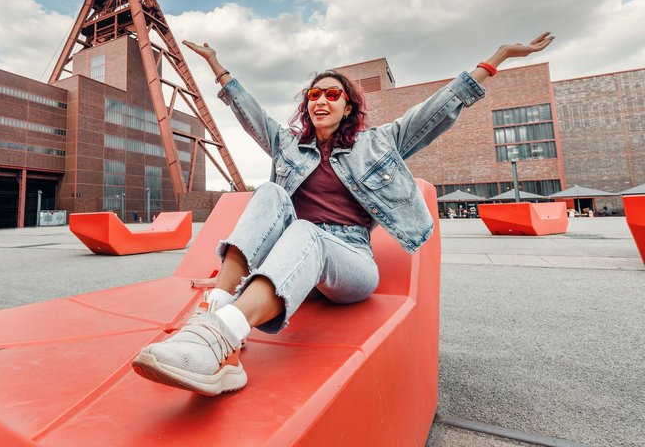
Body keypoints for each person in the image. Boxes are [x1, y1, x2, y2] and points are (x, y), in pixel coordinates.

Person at [132, 33, 554, 396]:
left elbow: (438, 109)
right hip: (291, 264)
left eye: (332, 94)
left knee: (308, 233)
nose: (321, 100)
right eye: (314, 95)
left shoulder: (380, 142)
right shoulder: (288, 145)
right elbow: (249, 113)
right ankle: (212, 315)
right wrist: (217, 66)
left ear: (348, 106)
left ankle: (219, 340)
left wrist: (495, 59)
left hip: (350, 262)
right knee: (269, 194)